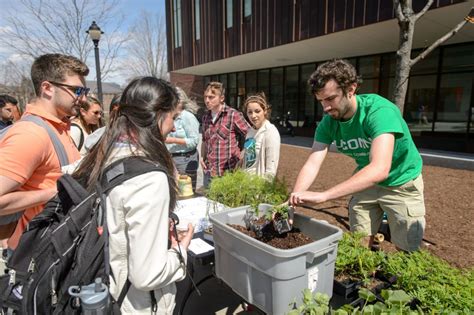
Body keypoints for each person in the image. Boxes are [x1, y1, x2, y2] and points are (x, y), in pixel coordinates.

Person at [73, 77, 194, 314]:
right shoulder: (150, 177)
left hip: (111, 289)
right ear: (158, 114)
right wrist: (181, 251)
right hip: (139, 304)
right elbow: (148, 275)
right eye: (174, 118)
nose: (175, 127)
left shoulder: (108, 151)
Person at [290, 59, 425, 252]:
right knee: (360, 242)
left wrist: (324, 196)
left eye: (330, 99)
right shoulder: (329, 123)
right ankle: (366, 275)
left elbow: (380, 169)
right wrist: (293, 200)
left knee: (408, 248)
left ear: (351, 89)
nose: (325, 108)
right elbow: (313, 162)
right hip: (366, 182)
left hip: (401, 181)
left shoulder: (378, 112)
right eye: (321, 101)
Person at [0, 53, 86, 250]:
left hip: (56, 249)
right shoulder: (31, 134)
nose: (83, 98)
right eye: (77, 90)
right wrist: (54, 193)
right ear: (47, 88)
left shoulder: (58, 127)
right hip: (36, 257)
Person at [201, 81, 250, 187]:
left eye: (211, 97)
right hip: (209, 172)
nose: (207, 101)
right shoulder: (205, 117)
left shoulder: (233, 115)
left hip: (228, 173)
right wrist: (201, 157)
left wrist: (244, 153)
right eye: (205, 97)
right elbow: (204, 140)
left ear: (221, 98)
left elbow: (251, 134)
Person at [166, 87, 200, 191]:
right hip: (171, 159)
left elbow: (194, 141)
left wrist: (172, 140)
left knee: (186, 192)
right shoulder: (169, 116)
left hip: (185, 159)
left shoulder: (187, 117)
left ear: (179, 101)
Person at [241, 92, 280, 178]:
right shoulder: (250, 131)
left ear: (265, 111)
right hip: (245, 185)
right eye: (249, 112)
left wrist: (264, 188)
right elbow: (249, 160)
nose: (253, 116)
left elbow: (271, 169)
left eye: (257, 111)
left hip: (259, 186)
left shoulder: (270, 132)